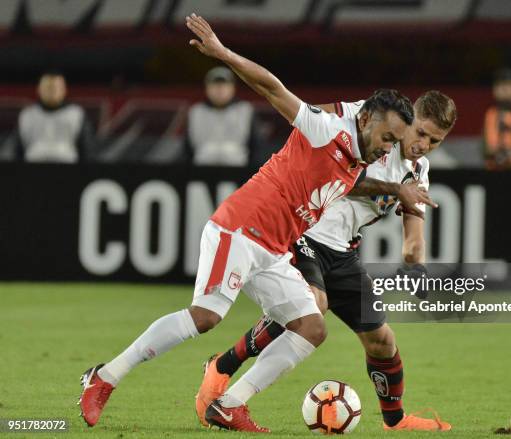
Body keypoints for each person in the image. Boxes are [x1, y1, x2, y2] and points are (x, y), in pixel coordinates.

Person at [78, 14, 436, 433]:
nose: (388, 148)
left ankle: (229, 404)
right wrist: (222, 52)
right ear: (366, 120)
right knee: (206, 316)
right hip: (240, 228)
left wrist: (397, 192)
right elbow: (272, 87)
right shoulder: (326, 128)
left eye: (395, 142)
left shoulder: (358, 157)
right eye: (388, 138)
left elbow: (355, 181)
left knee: (311, 326)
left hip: (273, 249)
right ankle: (105, 377)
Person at [195, 91, 457, 432]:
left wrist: (415, 265)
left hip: (343, 253)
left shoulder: (418, 171)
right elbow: (335, 167)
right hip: (305, 232)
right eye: (420, 133)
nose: (423, 144)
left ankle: (395, 421)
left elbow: (413, 233)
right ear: (409, 121)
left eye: (434, 141)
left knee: (382, 340)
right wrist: (394, 188)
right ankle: (225, 373)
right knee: (312, 308)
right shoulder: (372, 127)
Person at [183, 66, 262, 166]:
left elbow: (256, 146)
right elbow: (187, 148)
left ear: (233, 88)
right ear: (207, 88)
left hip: (238, 169)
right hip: (201, 170)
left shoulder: (245, 110)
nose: (219, 89)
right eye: (215, 85)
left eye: (224, 85)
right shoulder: (196, 111)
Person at [15, 70, 95, 163]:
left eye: (56, 87)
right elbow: (17, 151)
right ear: (39, 89)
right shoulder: (27, 115)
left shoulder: (76, 114)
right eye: (48, 87)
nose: (52, 91)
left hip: (68, 167)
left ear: (64, 90)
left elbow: (87, 150)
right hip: (32, 166)